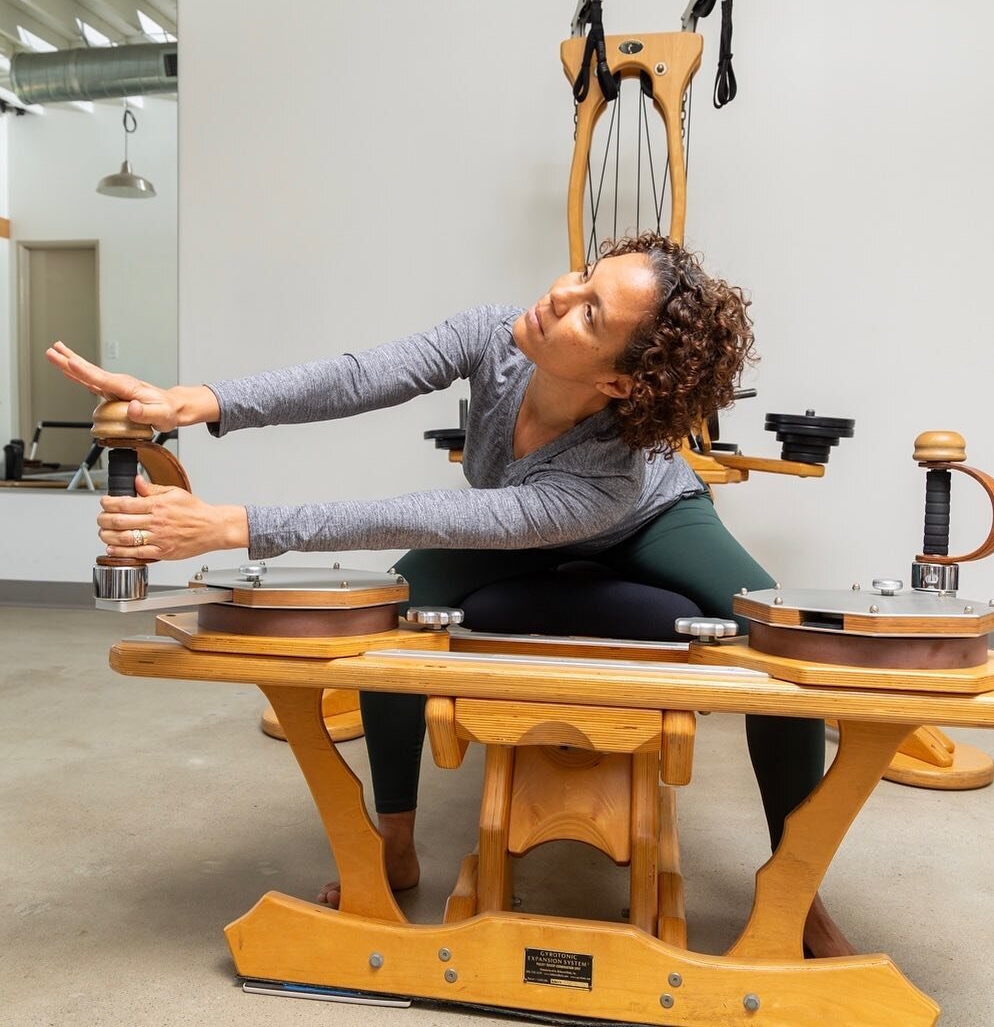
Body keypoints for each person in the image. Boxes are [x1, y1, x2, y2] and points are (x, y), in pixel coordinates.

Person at [47, 231, 850, 956]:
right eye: (580, 275)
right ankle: (393, 843)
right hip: (511, 519)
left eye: (590, 312)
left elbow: (428, 511)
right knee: (393, 612)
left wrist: (233, 524)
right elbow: (360, 377)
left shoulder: (607, 478)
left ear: (616, 380)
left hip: (644, 523)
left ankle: (795, 889)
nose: (559, 296)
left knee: (781, 635)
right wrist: (198, 401)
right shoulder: (495, 337)